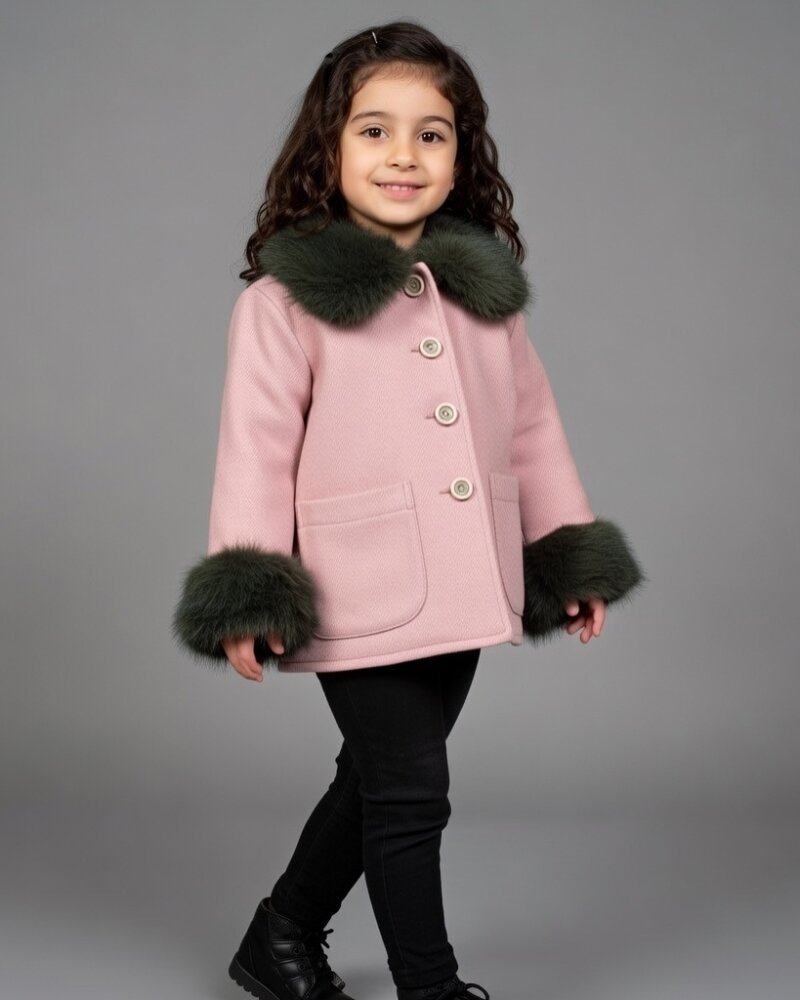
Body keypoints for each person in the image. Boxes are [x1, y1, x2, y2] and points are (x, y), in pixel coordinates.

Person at [172, 19, 644, 1000]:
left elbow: (531, 430)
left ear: (460, 155)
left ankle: (279, 938)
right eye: (374, 130)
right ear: (329, 148)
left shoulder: (484, 299)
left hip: (467, 579)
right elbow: (255, 451)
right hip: (357, 586)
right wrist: (248, 590)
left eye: (431, 134)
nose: (403, 155)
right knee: (411, 793)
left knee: (378, 777)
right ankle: (430, 988)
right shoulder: (281, 305)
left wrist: (566, 554)